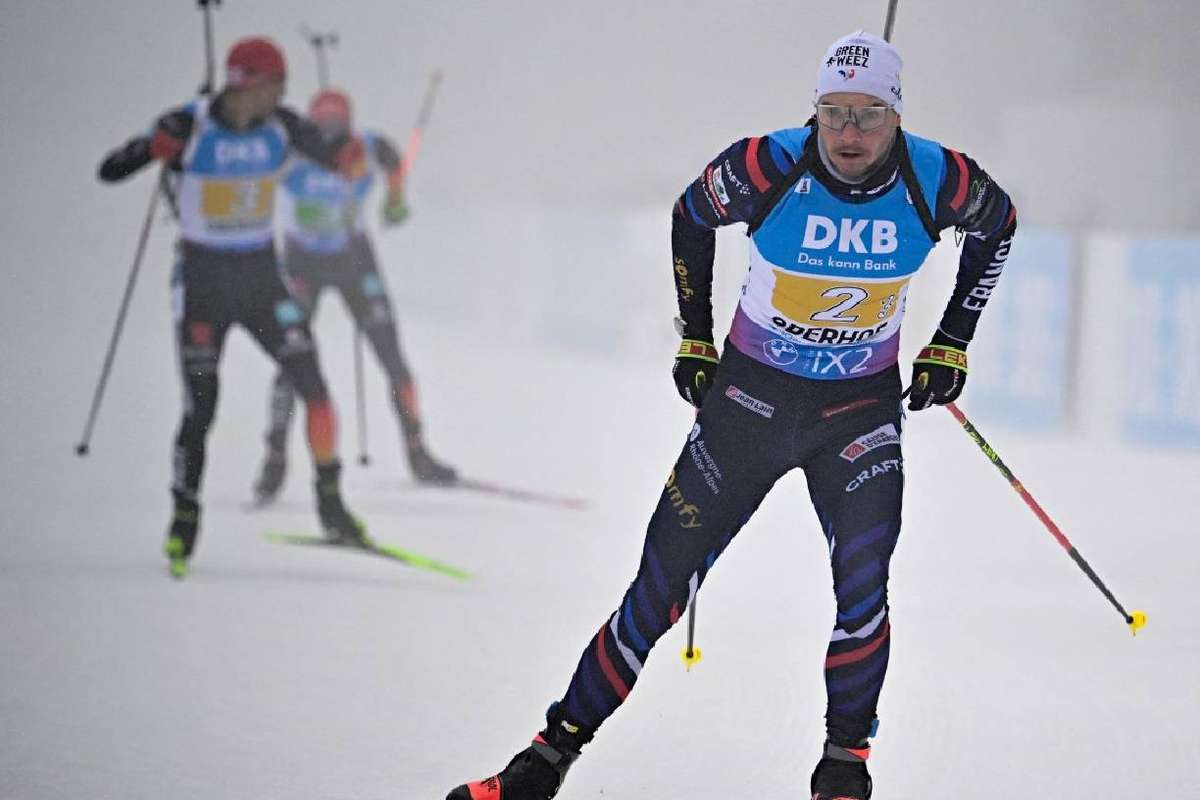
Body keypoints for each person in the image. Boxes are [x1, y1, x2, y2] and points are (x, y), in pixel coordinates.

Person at [445, 30, 1016, 800]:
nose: (849, 134)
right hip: (749, 403)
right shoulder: (768, 165)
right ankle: (546, 759)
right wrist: (695, 336)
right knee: (658, 587)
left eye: (869, 116)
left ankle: (845, 767)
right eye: (834, 113)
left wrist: (951, 343)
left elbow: (999, 224)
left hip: (857, 413)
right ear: (813, 111)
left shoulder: (937, 177)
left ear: (896, 117)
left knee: (863, 585)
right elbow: (690, 216)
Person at [97, 37, 374, 578]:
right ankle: (184, 516)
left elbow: (338, 158)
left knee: (315, 388)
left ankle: (332, 506)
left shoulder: (284, 127)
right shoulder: (190, 123)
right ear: (249, 83)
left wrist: (350, 160)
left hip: (260, 279)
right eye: (276, 85)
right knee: (201, 407)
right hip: (203, 282)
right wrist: (155, 147)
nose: (282, 95)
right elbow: (111, 169)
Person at [252, 87, 457, 506]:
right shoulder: (292, 154)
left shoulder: (365, 146)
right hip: (302, 264)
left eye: (337, 129)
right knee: (292, 360)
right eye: (321, 129)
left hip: (353, 261)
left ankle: (417, 451)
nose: (330, 139)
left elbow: (394, 161)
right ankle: (274, 456)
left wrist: (395, 203)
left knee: (393, 357)